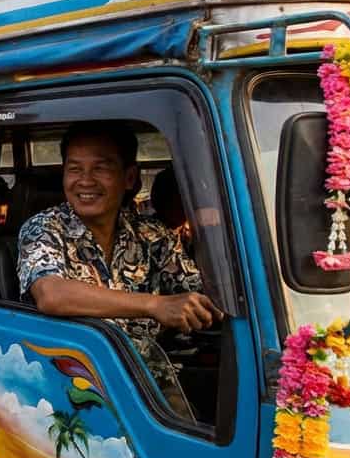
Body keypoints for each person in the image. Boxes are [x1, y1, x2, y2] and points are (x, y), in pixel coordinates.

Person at [17, 122, 223, 419]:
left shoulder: (153, 234)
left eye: (100, 168)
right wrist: (155, 306)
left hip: (151, 376)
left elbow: (200, 290)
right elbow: (52, 294)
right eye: (74, 169)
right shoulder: (44, 229)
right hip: (74, 384)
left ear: (130, 178)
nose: (85, 181)